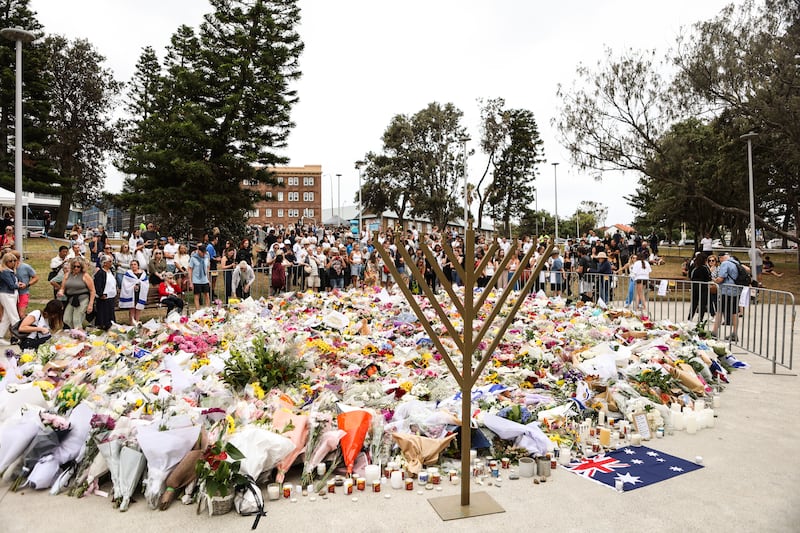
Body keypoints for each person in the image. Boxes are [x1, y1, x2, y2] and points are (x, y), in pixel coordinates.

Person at [711, 251, 746, 342]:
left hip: (726, 291)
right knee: (734, 312)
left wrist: (714, 280)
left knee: (719, 311)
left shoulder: (725, 264)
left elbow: (721, 278)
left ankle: (714, 332)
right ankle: (734, 333)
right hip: (736, 290)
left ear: (721, 258)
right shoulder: (736, 262)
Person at [57, 257, 96, 330]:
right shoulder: (67, 275)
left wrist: (90, 304)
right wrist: (61, 292)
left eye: (78, 267)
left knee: (76, 319)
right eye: (74, 266)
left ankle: (79, 334)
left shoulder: (85, 276)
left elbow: (92, 290)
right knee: (66, 319)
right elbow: (63, 287)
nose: (76, 268)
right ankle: (76, 331)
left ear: (81, 267)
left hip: (83, 298)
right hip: (72, 299)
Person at [0, 252, 23, 343]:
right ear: (5, 262)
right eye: (10, 261)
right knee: (14, 316)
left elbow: (13, 284)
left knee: (7, 318)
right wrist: (18, 285)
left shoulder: (10, 271)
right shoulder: (5, 271)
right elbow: (11, 285)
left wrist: (17, 284)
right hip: (7, 295)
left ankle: (0, 336)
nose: (13, 263)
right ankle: (19, 336)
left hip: (11, 295)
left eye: (14, 260)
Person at [119, 259, 149, 325]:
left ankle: (137, 323)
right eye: (131, 265)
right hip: (131, 293)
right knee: (132, 308)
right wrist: (133, 286)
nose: (133, 266)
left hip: (140, 293)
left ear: (138, 265)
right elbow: (125, 284)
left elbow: (146, 283)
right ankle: (132, 324)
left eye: (135, 264)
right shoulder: (128, 274)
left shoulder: (143, 274)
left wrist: (140, 285)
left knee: (138, 308)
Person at [93, 254, 117, 330]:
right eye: (110, 261)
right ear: (105, 263)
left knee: (110, 313)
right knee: (103, 314)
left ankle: (111, 326)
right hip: (104, 297)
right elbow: (97, 285)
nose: (111, 263)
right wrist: (100, 294)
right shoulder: (100, 273)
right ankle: (103, 327)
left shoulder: (110, 271)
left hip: (111, 297)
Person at [688, 252, 713, 322]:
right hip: (703, 287)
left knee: (694, 303)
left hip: (694, 286)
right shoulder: (705, 268)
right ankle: (700, 319)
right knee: (702, 303)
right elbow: (708, 277)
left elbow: (690, 275)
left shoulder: (693, 266)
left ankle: (690, 318)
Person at [12, 250, 38, 317]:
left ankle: (24, 325)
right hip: (11, 294)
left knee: (21, 314)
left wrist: (27, 284)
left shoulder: (26, 267)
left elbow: (35, 278)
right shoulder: (8, 268)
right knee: (13, 314)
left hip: (23, 293)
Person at [188, 243, 211, 309]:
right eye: (202, 252)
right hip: (196, 280)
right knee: (197, 296)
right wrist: (191, 282)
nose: (203, 254)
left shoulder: (206, 257)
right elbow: (190, 269)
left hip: (205, 279)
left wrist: (208, 279)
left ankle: (207, 309)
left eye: (204, 252)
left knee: (207, 295)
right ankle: (198, 311)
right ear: (199, 251)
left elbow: (207, 268)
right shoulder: (193, 258)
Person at [630, 249, 653, 315]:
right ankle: (637, 306)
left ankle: (644, 306)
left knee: (640, 293)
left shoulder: (637, 263)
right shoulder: (646, 263)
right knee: (639, 292)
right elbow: (649, 271)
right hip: (645, 278)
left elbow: (634, 272)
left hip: (639, 278)